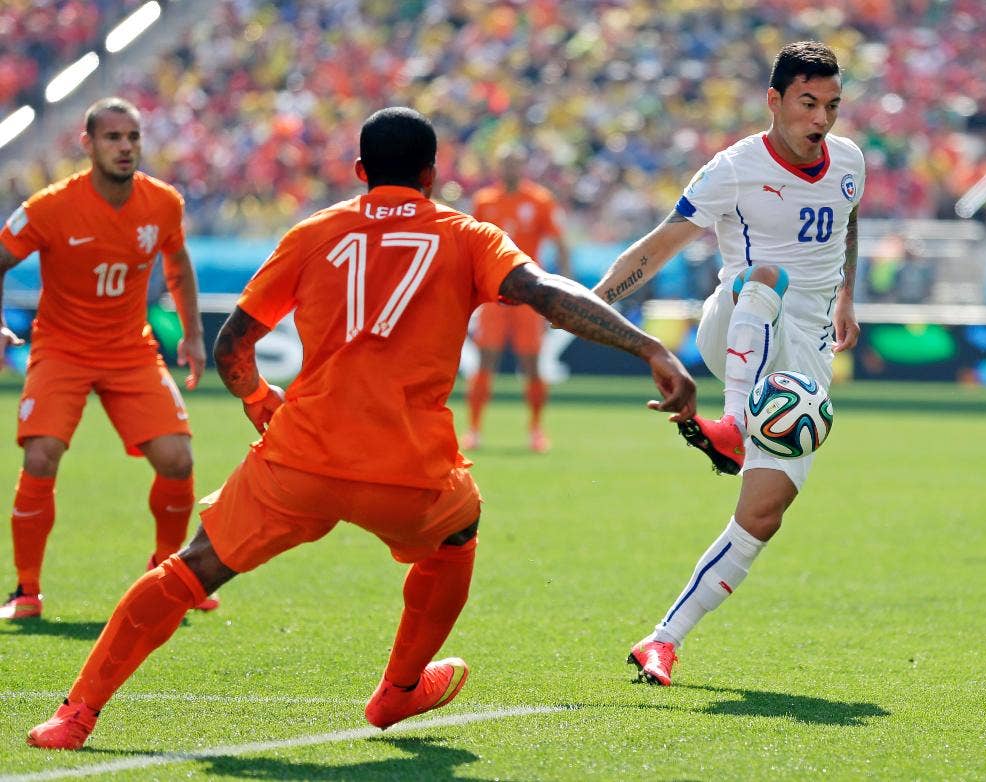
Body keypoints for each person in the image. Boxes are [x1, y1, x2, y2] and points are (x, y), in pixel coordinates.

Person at [25, 106, 696, 749]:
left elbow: (232, 344)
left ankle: (75, 715)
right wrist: (651, 350)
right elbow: (550, 294)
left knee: (191, 569)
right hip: (407, 473)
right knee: (458, 534)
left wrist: (259, 398)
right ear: (433, 174)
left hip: (300, 460)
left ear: (358, 170)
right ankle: (398, 689)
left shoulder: (315, 232)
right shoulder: (467, 235)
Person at [593, 41, 864, 686]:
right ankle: (731, 425)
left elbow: (848, 220)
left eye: (830, 105)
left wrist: (846, 294)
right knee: (763, 278)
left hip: (803, 366)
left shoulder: (849, 160)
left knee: (763, 515)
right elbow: (657, 248)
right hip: (737, 323)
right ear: (773, 101)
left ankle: (662, 641)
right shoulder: (732, 169)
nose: (820, 120)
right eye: (806, 103)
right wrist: (591, 301)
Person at [0, 97, 219, 620]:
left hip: (129, 349)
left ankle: (170, 574)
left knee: (178, 460)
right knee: (40, 456)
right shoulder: (51, 207)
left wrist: (191, 335)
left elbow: (178, 262)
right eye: (113, 138)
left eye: (132, 138)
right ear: (88, 144)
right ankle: (26, 591)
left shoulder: (163, 202)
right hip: (61, 348)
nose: (125, 148)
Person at [462, 144, 571, 453]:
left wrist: (563, 283)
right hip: (494, 293)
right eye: (505, 163)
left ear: (523, 166)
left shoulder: (539, 200)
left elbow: (560, 242)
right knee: (486, 358)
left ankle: (536, 430)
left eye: (515, 163)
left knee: (532, 362)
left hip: (528, 293)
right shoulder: (485, 201)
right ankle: (474, 429)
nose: (510, 168)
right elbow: (471, 245)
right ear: (497, 166)